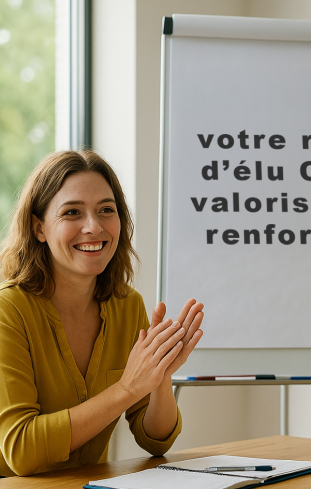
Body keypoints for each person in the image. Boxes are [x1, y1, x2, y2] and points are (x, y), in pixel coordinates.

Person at [0, 150, 204, 476]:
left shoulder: (127, 305)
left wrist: (159, 377)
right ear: (39, 228)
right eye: (72, 212)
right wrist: (127, 389)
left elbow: (156, 441)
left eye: (106, 210)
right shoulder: (7, 311)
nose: (93, 227)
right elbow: (21, 450)